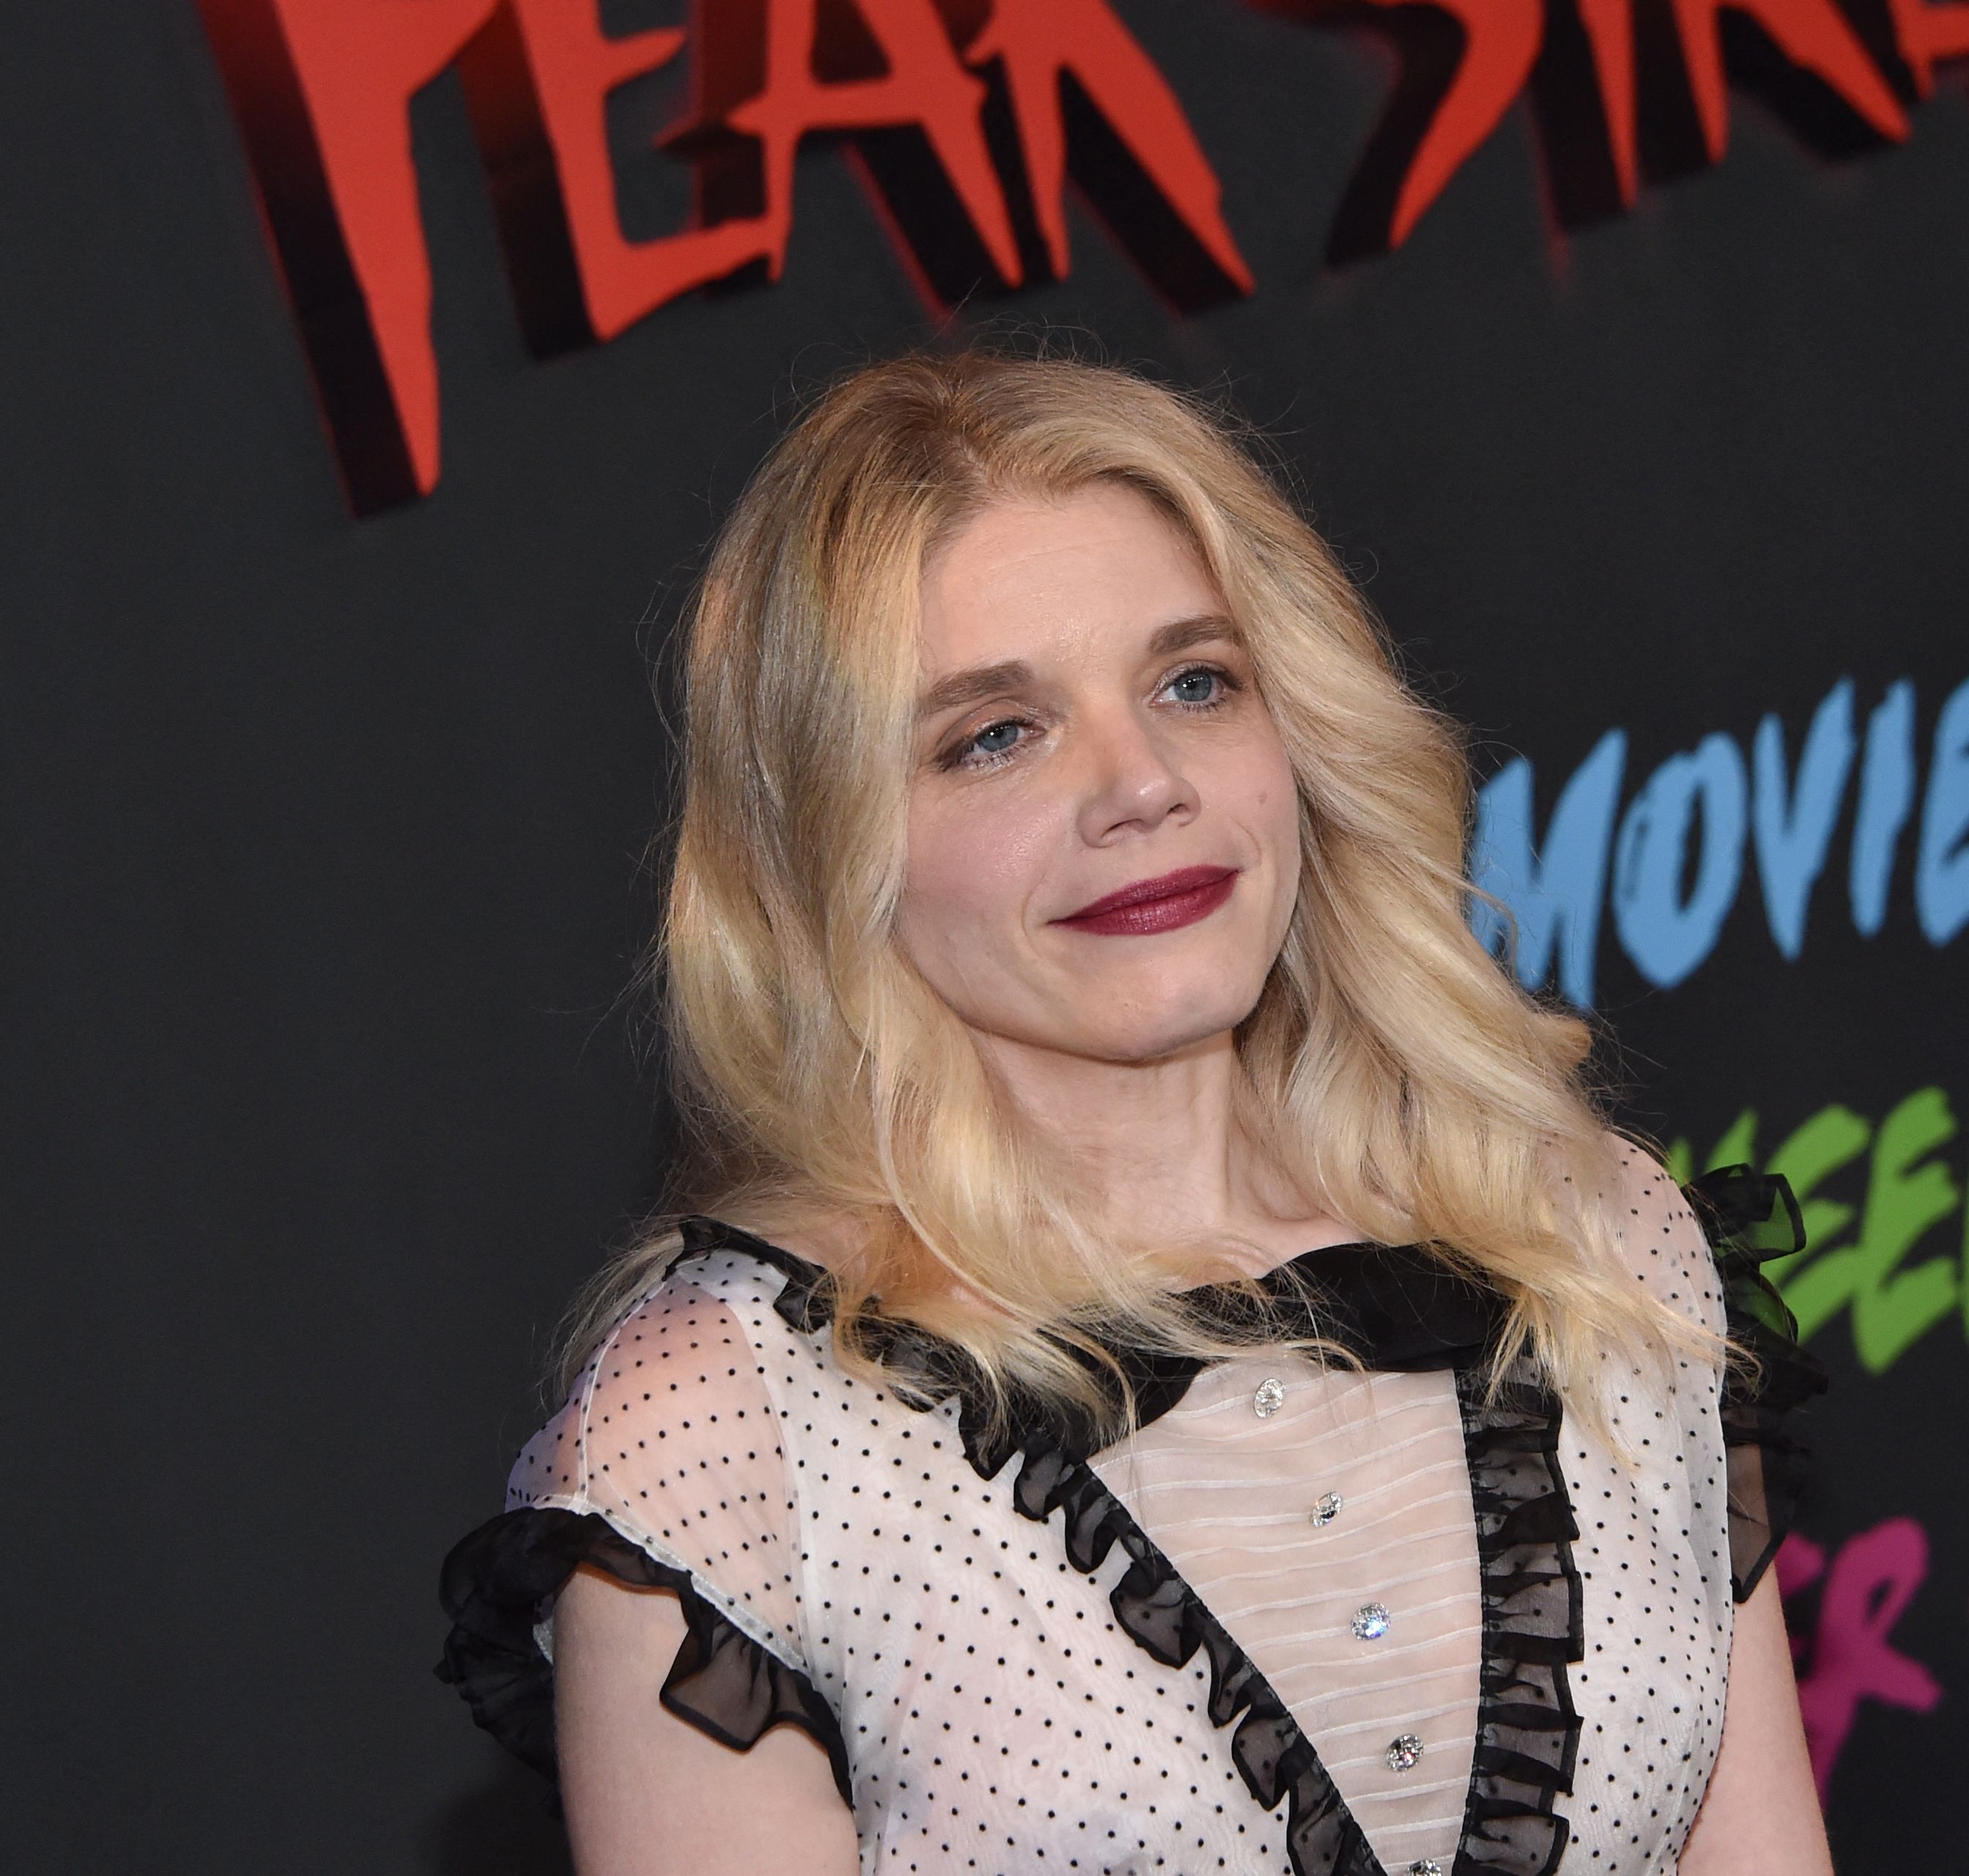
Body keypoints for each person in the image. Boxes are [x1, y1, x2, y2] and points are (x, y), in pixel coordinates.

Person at [437, 349, 1833, 1876]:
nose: (1142, 783)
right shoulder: (728, 1436)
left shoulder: (1592, 1237)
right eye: (995, 734)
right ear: (829, 850)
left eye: (1192, 683)